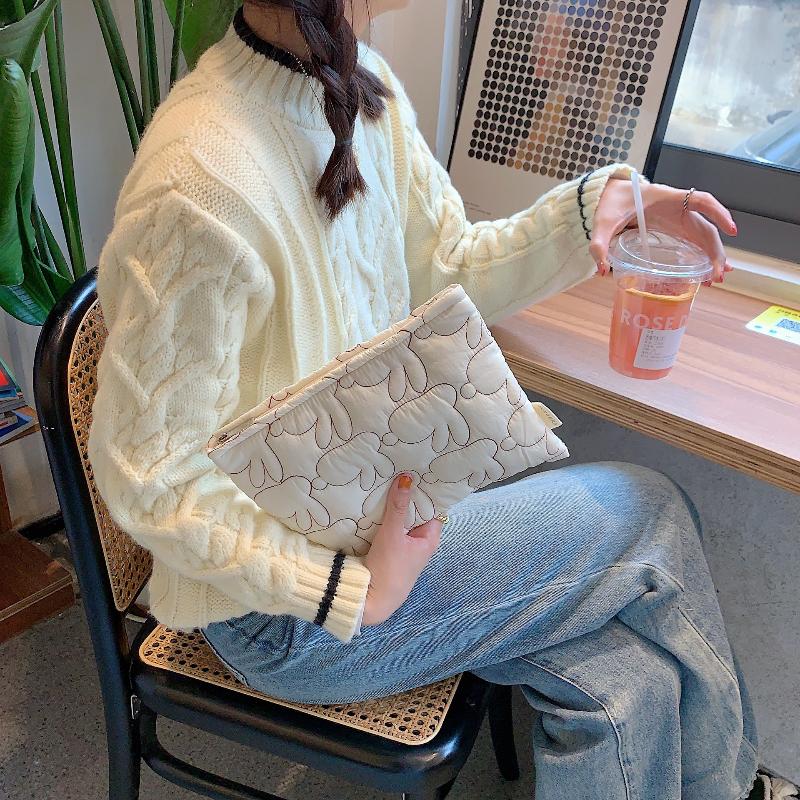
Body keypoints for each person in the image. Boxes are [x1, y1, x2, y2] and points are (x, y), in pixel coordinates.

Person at [86, 2, 797, 798]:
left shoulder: (362, 83)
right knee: (651, 511)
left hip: (382, 521)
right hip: (285, 612)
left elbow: (448, 263)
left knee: (625, 682)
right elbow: (148, 472)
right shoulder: (196, 184)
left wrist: (585, 213)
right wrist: (346, 588)